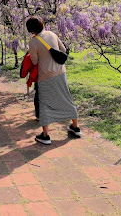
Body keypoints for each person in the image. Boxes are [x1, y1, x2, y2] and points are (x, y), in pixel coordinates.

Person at [26, 16, 81, 145]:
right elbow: (63, 50)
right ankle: (76, 128)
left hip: (45, 76)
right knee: (66, 98)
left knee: (44, 103)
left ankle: (45, 136)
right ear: (42, 24)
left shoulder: (33, 42)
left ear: (30, 29)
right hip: (61, 72)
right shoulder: (52, 33)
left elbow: (34, 61)